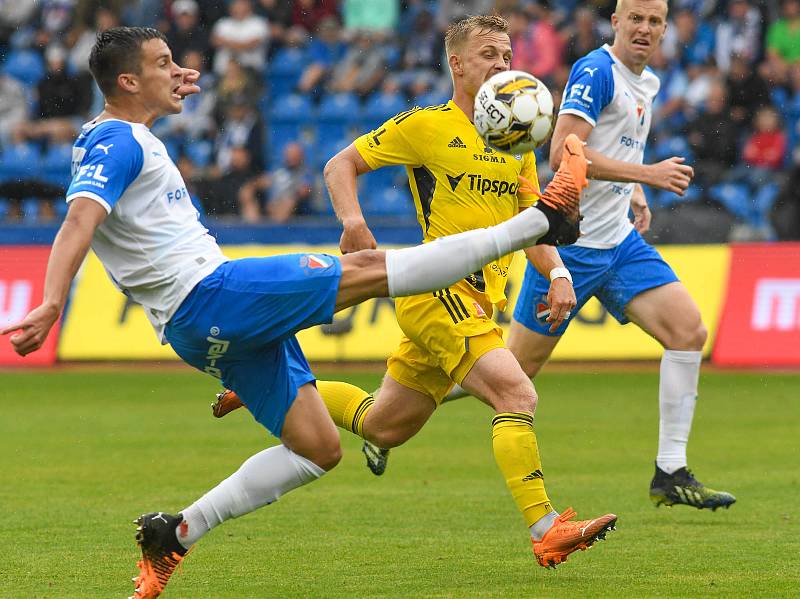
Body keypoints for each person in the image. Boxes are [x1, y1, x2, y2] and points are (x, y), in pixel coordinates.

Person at [1, 26, 591, 599]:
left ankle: (175, 533)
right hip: (211, 294)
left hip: (195, 330)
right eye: (163, 64)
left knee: (319, 449)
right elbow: (80, 218)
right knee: (369, 273)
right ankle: (541, 219)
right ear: (127, 81)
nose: (179, 72)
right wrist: (53, 298)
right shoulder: (117, 140)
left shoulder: (127, 136)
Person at [216, 14, 617, 570]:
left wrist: (559, 273)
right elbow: (340, 165)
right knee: (516, 395)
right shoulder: (428, 125)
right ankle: (547, 528)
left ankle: (273, 389)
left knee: (384, 426)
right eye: (488, 55)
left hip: (482, 300)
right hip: (435, 290)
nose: (502, 65)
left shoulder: (520, 139)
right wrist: (354, 223)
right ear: (456, 64)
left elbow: (531, 220)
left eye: (506, 55)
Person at [459, 0, 735, 511]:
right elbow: (564, 147)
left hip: (619, 244)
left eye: (655, 21)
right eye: (636, 19)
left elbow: (614, 147)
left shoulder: (646, 83)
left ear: (665, 29)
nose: (644, 29)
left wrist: (634, 193)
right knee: (507, 375)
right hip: (570, 245)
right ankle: (402, 406)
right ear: (616, 22)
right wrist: (647, 175)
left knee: (688, 331)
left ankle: (670, 470)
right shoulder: (596, 71)